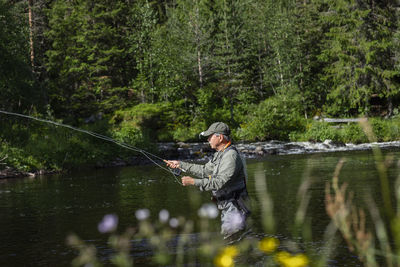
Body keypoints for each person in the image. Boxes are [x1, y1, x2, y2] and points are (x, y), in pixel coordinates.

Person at [165, 122, 250, 239]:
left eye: (210, 136)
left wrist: (193, 182)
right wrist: (180, 164)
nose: (208, 140)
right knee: (232, 244)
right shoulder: (220, 154)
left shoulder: (230, 156)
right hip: (228, 207)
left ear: (219, 137)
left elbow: (219, 182)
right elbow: (204, 170)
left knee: (231, 244)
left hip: (235, 208)